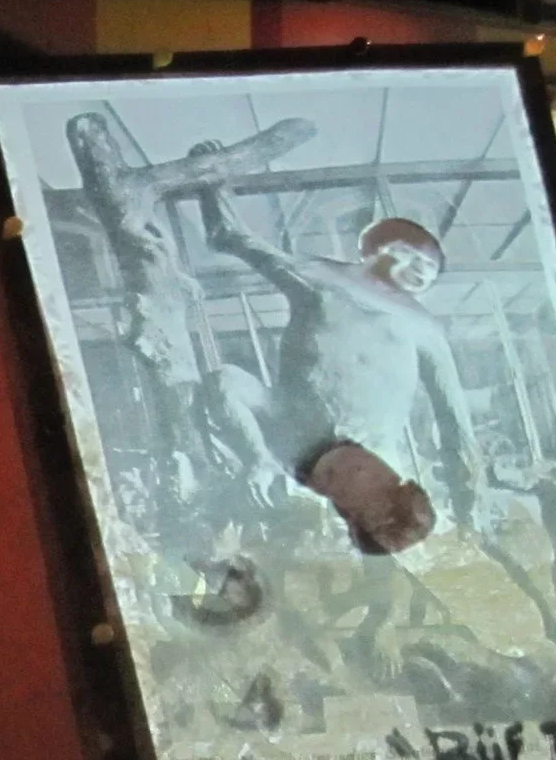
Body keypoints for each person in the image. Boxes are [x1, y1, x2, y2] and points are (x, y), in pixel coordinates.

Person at [195, 147, 478, 556]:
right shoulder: (319, 276)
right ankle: (261, 464)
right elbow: (233, 238)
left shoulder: (422, 325)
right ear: (378, 248)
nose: (421, 273)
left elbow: (455, 418)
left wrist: (471, 498)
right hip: (293, 425)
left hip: (367, 438)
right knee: (223, 381)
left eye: (429, 272)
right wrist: (212, 180)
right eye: (413, 257)